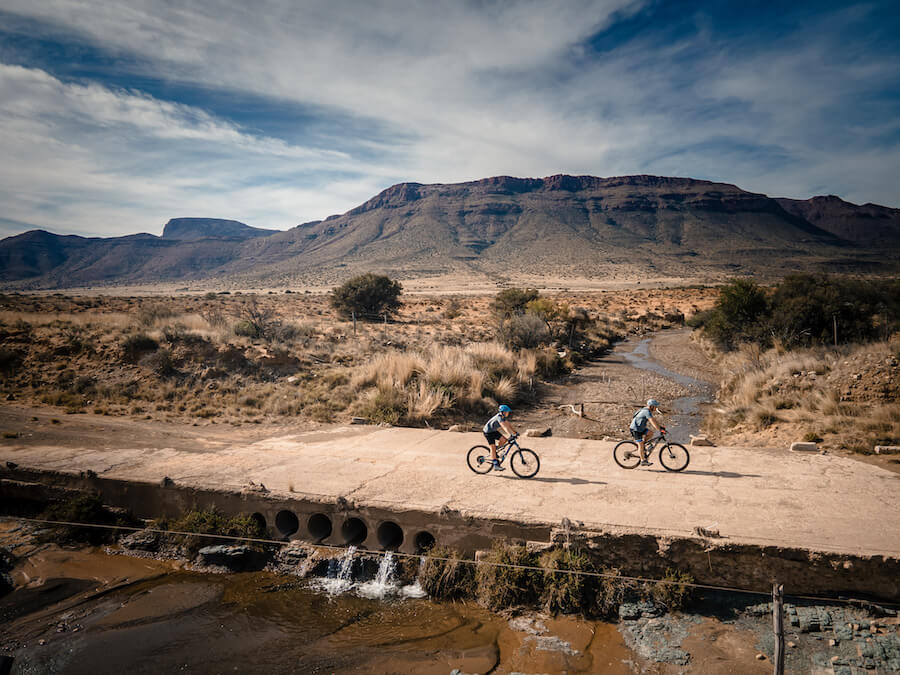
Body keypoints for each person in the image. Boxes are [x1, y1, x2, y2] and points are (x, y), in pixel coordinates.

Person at [629, 398, 665, 466]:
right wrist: (660, 429)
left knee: (650, 433)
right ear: (651, 406)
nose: (656, 408)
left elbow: (654, 420)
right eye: (655, 406)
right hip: (635, 429)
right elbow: (653, 422)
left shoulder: (647, 410)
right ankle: (643, 461)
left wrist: (660, 427)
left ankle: (644, 446)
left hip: (640, 428)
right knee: (640, 444)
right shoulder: (647, 412)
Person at [483, 404, 518, 471]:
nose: (508, 413)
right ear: (503, 412)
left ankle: (494, 452)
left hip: (493, 431)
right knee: (492, 448)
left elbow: (508, 424)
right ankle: (495, 465)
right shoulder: (499, 417)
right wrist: (510, 434)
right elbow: (504, 427)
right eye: (507, 412)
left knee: (504, 440)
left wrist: (515, 432)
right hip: (488, 432)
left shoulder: (503, 417)